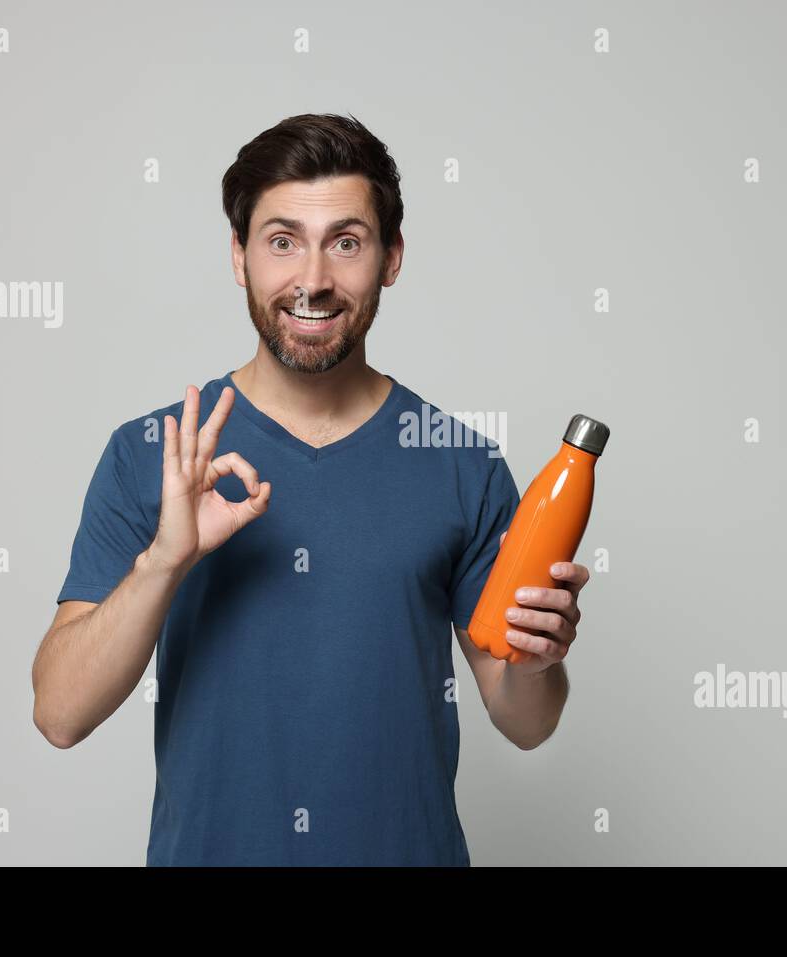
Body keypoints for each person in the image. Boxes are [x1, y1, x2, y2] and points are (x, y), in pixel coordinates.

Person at [31, 113, 590, 866]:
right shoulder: (154, 453)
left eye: (347, 242)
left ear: (391, 258)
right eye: (282, 240)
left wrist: (540, 658)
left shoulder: (462, 462)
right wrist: (165, 560)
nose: (313, 280)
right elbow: (59, 713)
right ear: (240, 256)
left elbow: (525, 721)